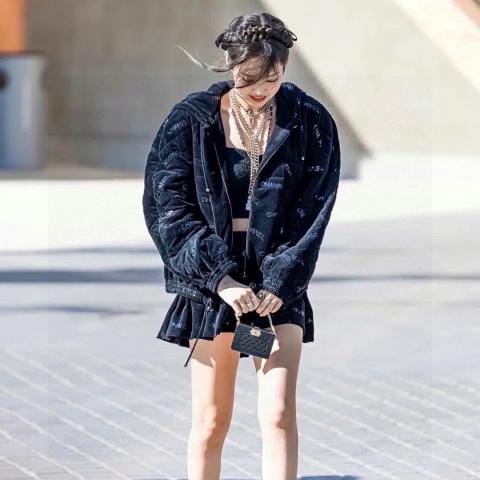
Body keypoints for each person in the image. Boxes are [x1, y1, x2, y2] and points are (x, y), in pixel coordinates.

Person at [142, 12, 341, 480]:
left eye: (272, 78)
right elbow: (166, 207)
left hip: (276, 289)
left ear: (286, 67)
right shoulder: (191, 120)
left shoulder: (309, 120)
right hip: (215, 287)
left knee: (279, 414)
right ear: (230, 65)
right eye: (249, 78)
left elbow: (314, 208)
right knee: (212, 421)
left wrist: (280, 280)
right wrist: (220, 279)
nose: (260, 89)